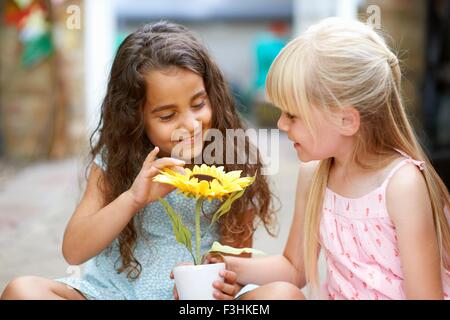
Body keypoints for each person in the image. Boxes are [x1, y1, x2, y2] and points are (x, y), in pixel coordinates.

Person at [1, 21, 274, 300]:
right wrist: (133, 198)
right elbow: (74, 251)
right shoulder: (116, 162)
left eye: (198, 104)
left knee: (283, 294)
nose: (190, 124)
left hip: (193, 301)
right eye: (167, 116)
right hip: (114, 294)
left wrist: (220, 283)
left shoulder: (231, 162)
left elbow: (235, 260)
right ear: (135, 118)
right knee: (22, 291)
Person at [213, 17, 450, 300]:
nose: (281, 125)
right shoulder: (314, 174)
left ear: (346, 120)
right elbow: (294, 268)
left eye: (292, 115)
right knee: (280, 295)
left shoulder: (402, 185)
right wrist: (224, 267)